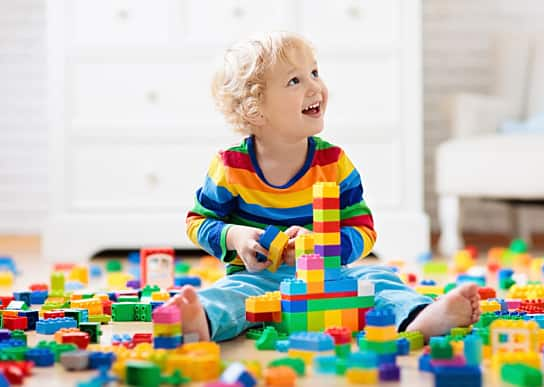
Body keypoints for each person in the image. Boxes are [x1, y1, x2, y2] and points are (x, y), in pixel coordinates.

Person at [166, 32, 480, 342]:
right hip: (258, 279)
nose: (315, 86)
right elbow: (198, 222)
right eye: (295, 81)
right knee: (230, 295)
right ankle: (201, 321)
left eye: (314, 73)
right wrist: (237, 237)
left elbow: (363, 230)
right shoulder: (231, 166)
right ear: (255, 109)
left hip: (330, 279)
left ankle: (421, 317)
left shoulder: (333, 163)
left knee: (379, 279)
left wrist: (322, 246)